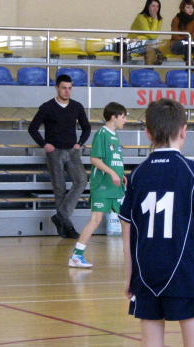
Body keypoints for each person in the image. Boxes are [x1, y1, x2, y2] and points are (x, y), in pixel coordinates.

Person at [119, 99, 194, 346]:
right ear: (183, 130)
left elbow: (127, 228)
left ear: (147, 133)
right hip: (185, 270)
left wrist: (130, 275)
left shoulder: (137, 175)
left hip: (146, 271)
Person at [28, 74, 91, 239]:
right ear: (57, 88)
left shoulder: (77, 106)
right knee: (59, 189)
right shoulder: (47, 107)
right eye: (64, 88)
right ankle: (67, 228)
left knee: (81, 180)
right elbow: (32, 128)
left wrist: (80, 143)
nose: (67, 91)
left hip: (72, 151)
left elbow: (87, 128)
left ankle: (60, 216)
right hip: (54, 152)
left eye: (70, 88)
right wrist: (44, 144)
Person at [68, 102, 128, 268]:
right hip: (102, 185)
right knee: (96, 219)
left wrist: (120, 174)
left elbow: (114, 160)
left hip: (115, 186)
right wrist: (112, 173)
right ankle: (76, 255)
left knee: (126, 220)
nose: (125, 120)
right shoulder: (102, 134)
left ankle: (131, 255)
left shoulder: (115, 136)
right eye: (123, 117)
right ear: (113, 117)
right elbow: (94, 159)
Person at [170, 0, 194, 66]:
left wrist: (190, 39)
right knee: (187, 41)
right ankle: (190, 62)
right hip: (177, 45)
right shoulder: (176, 19)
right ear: (183, 8)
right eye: (188, 7)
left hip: (189, 44)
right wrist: (187, 38)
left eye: (192, 8)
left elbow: (193, 35)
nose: (190, 10)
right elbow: (175, 36)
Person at [128, 0, 164, 65]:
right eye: (153, 6)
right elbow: (151, 35)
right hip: (133, 43)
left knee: (152, 43)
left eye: (157, 6)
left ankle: (149, 69)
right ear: (148, 6)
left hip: (147, 45)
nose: (155, 9)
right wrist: (155, 20)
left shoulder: (159, 19)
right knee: (153, 43)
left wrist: (140, 37)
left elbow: (154, 36)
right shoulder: (141, 17)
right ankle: (149, 70)